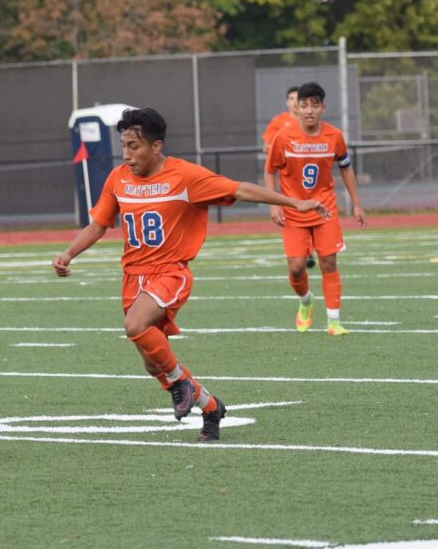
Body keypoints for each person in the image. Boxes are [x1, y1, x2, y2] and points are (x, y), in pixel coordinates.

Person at [52, 108, 329, 442]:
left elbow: (238, 189)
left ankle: (180, 383)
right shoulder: (118, 178)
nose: (126, 155)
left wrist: (293, 203)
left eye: (134, 147)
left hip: (170, 273)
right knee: (152, 364)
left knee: (135, 326)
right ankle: (210, 407)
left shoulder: (184, 176)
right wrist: (68, 253)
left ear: (155, 146)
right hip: (133, 277)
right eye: (123, 146)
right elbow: (98, 225)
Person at [264, 82, 366, 336]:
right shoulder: (283, 137)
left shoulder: (334, 136)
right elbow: (270, 170)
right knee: (297, 266)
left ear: (323, 108)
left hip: (325, 208)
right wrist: (274, 204)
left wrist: (356, 203)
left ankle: (334, 321)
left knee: (328, 262)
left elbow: (346, 168)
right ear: (296, 108)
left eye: (315, 105)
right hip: (293, 210)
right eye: (304, 105)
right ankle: (306, 300)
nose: (309, 110)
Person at [263, 86, 316, 269]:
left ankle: (310, 249)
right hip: (289, 178)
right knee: (294, 212)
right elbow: (266, 146)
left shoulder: (309, 122)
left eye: (297, 99)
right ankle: (302, 250)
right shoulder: (279, 122)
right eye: (291, 99)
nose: (294, 102)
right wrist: (283, 147)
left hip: (310, 177)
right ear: (287, 102)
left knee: (314, 211)